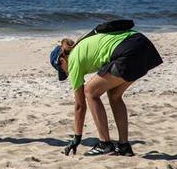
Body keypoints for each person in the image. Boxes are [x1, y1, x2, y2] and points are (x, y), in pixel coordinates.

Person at [50, 27, 163, 157]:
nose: (66, 72)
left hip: (129, 51)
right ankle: (124, 146)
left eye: (62, 70)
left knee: (90, 91)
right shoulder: (82, 45)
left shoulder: (73, 60)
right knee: (114, 95)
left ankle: (105, 144)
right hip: (143, 45)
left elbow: (80, 106)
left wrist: (76, 138)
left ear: (62, 60)